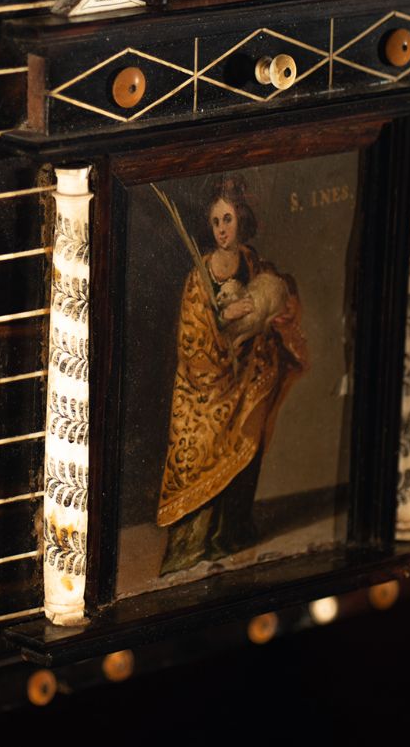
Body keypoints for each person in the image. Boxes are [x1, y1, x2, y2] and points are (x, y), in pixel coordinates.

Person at [156, 175, 309, 575]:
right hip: (205, 392)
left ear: (241, 220)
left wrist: (270, 313)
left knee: (246, 453)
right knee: (200, 457)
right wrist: (226, 331)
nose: (222, 230)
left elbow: (277, 302)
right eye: (215, 222)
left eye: (228, 220)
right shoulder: (198, 278)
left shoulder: (254, 262)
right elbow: (191, 344)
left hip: (249, 381)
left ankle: (232, 535)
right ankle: (192, 550)